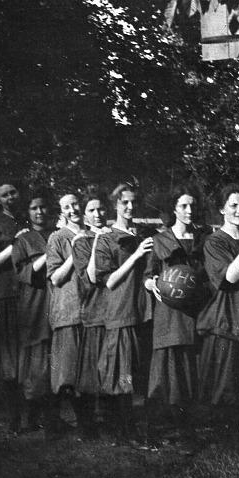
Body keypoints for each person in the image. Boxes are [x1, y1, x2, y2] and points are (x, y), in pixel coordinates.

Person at [91, 181, 155, 445]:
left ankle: (134, 429)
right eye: (124, 202)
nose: (130, 207)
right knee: (122, 374)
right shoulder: (105, 238)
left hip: (142, 310)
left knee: (138, 372)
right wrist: (136, 255)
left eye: (133, 202)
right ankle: (124, 432)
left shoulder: (142, 234)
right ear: (115, 205)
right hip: (119, 311)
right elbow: (108, 281)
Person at [144, 185, 208, 444]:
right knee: (165, 374)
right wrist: (153, 284)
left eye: (192, 205)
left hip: (196, 312)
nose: (189, 210)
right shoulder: (160, 241)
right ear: (173, 209)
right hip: (169, 315)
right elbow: (148, 276)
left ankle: (187, 429)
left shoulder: (203, 239)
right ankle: (154, 428)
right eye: (183, 206)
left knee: (191, 372)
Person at [198, 183, 239, 444]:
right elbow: (230, 277)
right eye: (233, 205)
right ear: (222, 209)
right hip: (226, 319)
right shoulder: (215, 242)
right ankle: (228, 443)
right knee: (226, 384)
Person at [0, 180, 28, 432]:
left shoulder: (27, 220)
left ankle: (34, 415)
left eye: (13, 192)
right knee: (10, 357)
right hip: (5, 295)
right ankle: (14, 419)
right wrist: (15, 245)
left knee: (28, 355)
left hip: (28, 293)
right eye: (5, 194)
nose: (10, 197)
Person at [7, 190, 53, 434]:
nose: (39, 212)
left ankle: (43, 417)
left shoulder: (58, 234)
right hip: (34, 306)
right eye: (34, 208)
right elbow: (24, 273)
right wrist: (48, 253)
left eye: (43, 207)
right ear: (28, 212)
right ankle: (19, 419)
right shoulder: (23, 240)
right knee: (29, 366)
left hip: (56, 304)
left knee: (49, 364)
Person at [46, 191, 86, 435]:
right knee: (65, 373)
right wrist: (74, 251)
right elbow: (56, 277)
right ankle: (53, 425)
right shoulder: (57, 238)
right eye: (67, 207)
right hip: (68, 310)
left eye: (76, 204)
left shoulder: (93, 234)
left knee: (85, 371)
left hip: (89, 310)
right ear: (62, 212)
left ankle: (87, 423)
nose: (73, 209)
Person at [72, 193, 111, 439]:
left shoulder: (112, 236)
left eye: (101, 210)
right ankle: (86, 425)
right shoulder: (81, 242)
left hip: (115, 312)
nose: (98, 215)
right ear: (85, 216)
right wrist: (98, 239)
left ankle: (111, 421)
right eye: (92, 211)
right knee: (90, 374)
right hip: (94, 311)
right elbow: (91, 276)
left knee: (111, 369)